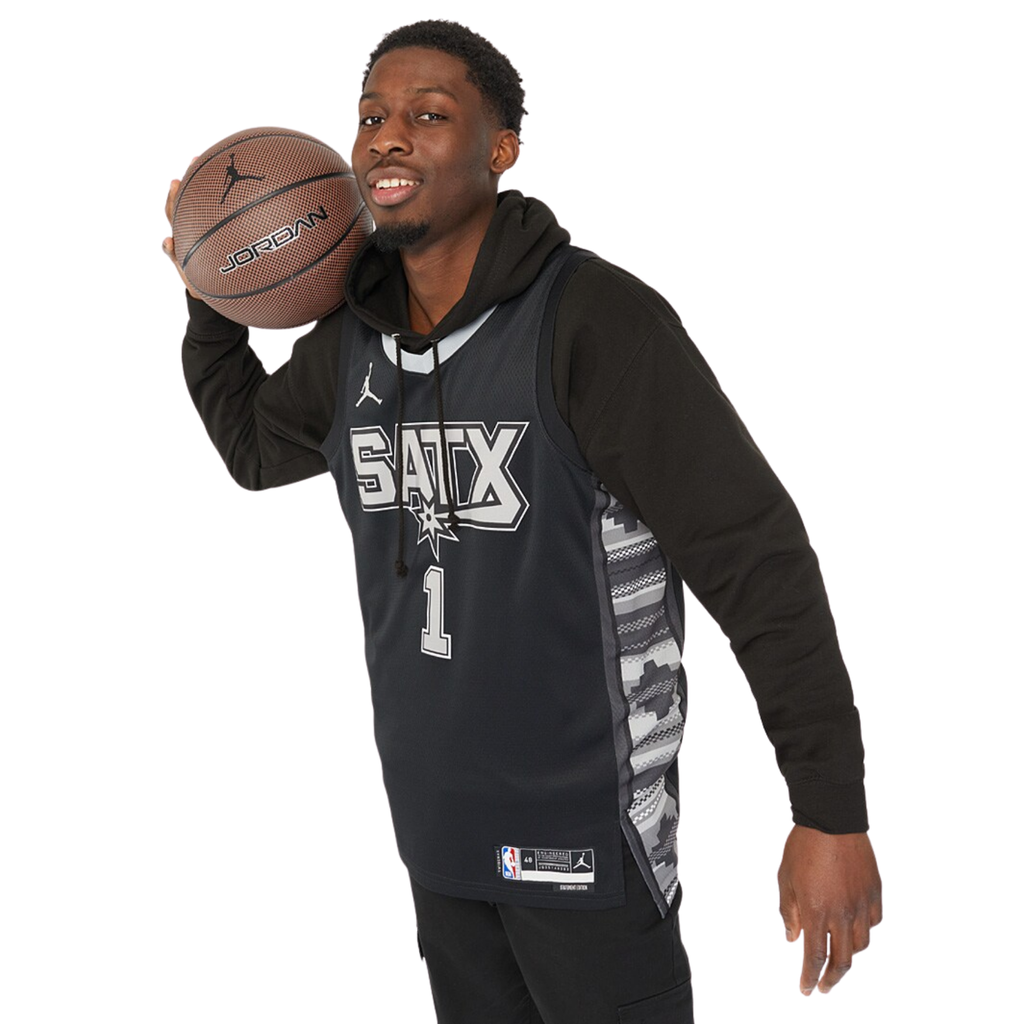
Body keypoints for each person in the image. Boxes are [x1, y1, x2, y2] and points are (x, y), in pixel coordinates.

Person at [163, 19, 881, 1023]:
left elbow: (755, 561)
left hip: (584, 840)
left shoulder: (595, 322)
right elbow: (252, 448)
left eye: (428, 115)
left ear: (500, 149)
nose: (387, 135)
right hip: (438, 836)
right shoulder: (354, 346)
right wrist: (211, 291)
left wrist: (829, 811)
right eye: (371, 115)